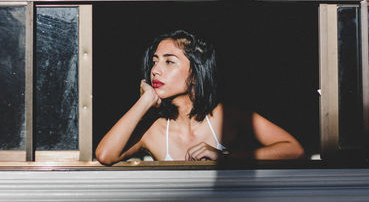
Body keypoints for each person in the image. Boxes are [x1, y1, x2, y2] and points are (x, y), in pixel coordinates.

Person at [96, 30, 305, 165]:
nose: (155, 70)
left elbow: (293, 149)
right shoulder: (153, 130)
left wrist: (226, 159)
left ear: (195, 74)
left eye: (169, 62)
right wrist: (145, 101)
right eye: (154, 61)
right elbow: (105, 155)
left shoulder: (226, 117)